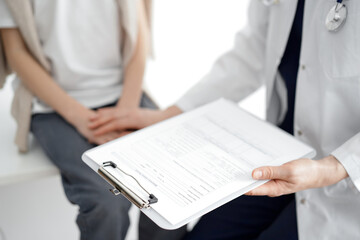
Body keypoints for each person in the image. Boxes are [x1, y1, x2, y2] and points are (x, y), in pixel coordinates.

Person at [88, 0, 360, 239]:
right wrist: (170, 115)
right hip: (281, 157)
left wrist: (332, 169)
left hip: (344, 184)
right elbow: (254, 50)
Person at [0, 0, 187, 239]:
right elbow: (15, 52)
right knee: (106, 201)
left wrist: (126, 110)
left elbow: (140, 33)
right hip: (52, 106)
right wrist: (81, 118)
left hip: (125, 95)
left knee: (172, 186)